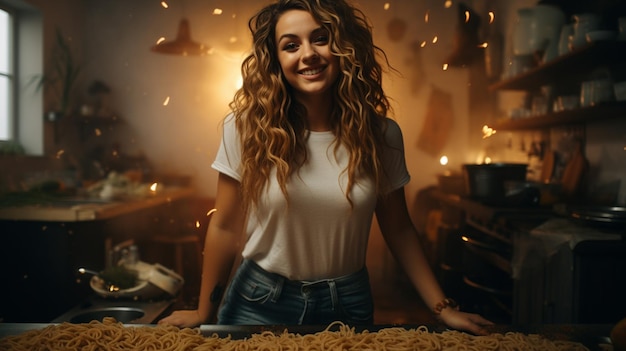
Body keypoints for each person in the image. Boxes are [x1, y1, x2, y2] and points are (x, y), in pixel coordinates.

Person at [159, 0, 492, 335]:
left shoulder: (382, 135)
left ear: (344, 47)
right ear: (276, 60)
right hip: (259, 303)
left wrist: (442, 309)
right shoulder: (245, 129)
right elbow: (226, 226)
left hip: (347, 305)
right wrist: (204, 311)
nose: (308, 54)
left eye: (321, 38)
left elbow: (400, 229)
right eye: (291, 45)